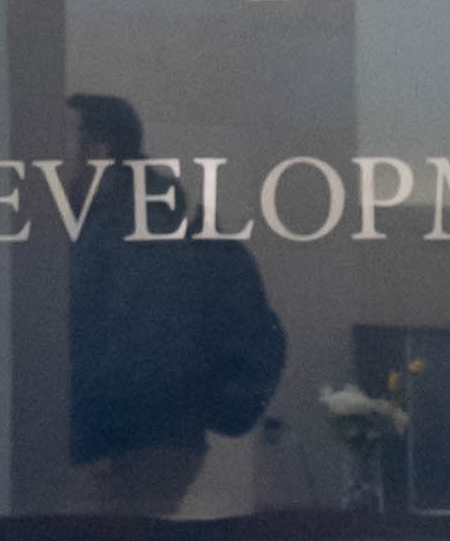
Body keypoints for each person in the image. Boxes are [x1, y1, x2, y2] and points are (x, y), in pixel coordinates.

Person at [60, 90, 287, 517]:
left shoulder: (116, 237)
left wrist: (100, 441)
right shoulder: (162, 225)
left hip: (116, 451)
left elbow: (127, 342)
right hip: (160, 443)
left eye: (59, 139)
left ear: (98, 151)